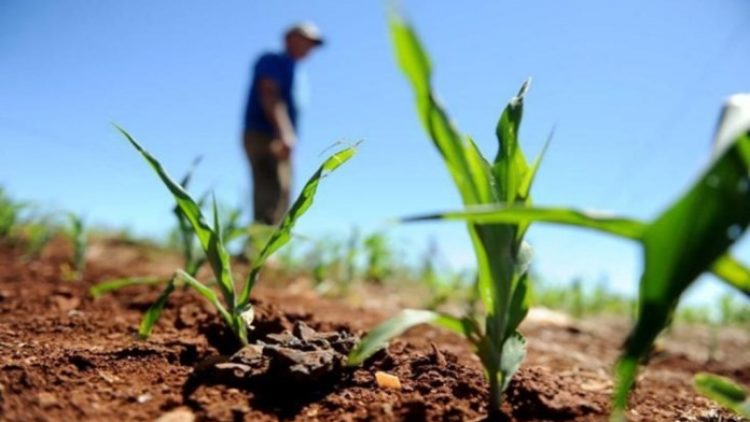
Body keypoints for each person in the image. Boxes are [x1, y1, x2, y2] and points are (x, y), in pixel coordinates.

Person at [243, 22, 324, 225]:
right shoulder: (273, 60)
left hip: (277, 135)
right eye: (307, 41)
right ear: (290, 38)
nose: (311, 47)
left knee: (283, 190)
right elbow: (269, 94)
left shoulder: (296, 71)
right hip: (265, 134)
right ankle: (259, 248)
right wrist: (285, 133)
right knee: (270, 188)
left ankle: (266, 247)